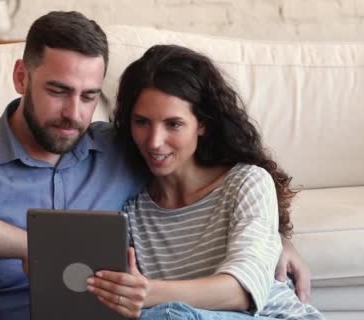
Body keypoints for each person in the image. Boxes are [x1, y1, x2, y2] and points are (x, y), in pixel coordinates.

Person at [0, 11, 312, 320]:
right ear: (21, 78)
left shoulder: (122, 147)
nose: (74, 113)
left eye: (89, 96)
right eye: (58, 91)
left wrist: (276, 236)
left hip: (99, 315)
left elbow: (214, 175)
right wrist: (34, 246)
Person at [86, 45, 324, 320]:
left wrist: (149, 293)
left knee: (169, 315)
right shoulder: (130, 206)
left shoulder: (246, 182)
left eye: (173, 124)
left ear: (202, 124)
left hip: (271, 317)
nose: (154, 141)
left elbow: (243, 291)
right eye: (142, 122)